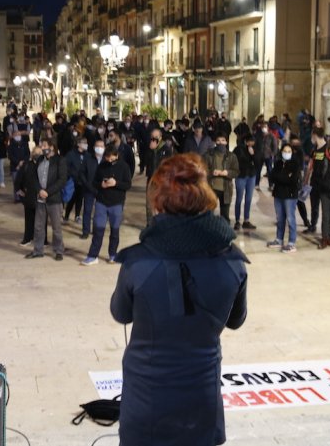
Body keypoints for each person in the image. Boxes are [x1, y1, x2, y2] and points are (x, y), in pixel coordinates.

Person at [110, 153, 248, 446]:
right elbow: (236, 320)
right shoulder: (233, 262)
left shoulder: (138, 262)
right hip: (201, 391)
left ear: (158, 202)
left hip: (148, 395)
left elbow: (121, 313)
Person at [81, 145, 132, 265]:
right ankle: (93, 256)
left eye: (111, 158)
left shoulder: (124, 167)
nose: (109, 160)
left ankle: (113, 255)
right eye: (107, 157)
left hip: (116, 203)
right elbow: (94, 182)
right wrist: (101, 185)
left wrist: (116, 183)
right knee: (98, 230)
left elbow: (128, 185)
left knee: (115, 231)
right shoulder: (102, 165)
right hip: (101, 202)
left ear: (116, 155)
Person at [24, 138, 67, 261]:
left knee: (56, 227)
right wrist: (39, 190)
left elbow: (62, 180)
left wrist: (48, 192)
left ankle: (58, 250)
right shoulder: (39, 160)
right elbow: (33, 178)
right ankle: (38, 250)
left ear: (52, 147)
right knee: (38, 226)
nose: (42, 148)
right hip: (40, 198)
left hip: (54, 199)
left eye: (44, 146)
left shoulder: (60, 160)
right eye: (41, 146)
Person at [267, 144, 301, 253]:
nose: (286, 153)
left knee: (290, 219)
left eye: (289, 151)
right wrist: (284, 177)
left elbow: (293, 180)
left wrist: (280, 177)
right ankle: (279, 239)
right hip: (278, 194)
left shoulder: (295, 164)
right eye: (285, 151)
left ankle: (291, 242)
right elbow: (272, 176)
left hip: (290, 196)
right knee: (280, 218)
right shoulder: (277, 163)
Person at [203, 133, 239, 223]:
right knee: (208, 214)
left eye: (223, 140)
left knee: (225, 216)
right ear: (215, 142)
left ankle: (225, 235)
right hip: (211, 188)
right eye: (218, 140)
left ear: (226, 142)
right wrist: (211, 172)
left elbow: (236, 171)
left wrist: (227, 173)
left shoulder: (231, 156)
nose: (220, 142)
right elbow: (202, 170)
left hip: (226, 189)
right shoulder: (208, 155)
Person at [144, 128, 174, 225]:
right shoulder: (149, 148)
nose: (154, 139)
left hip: (162, 181)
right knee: (149, 204)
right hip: (151, 180)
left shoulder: (167, 149)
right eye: (152, 137)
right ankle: (150, 225)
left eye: (156, 137)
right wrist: (151, 151)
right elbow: (145, 162)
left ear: (160, 137)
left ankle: (163, 224)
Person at [232, 134, 258, 231]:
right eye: (250, 141)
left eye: (253, 142)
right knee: (239, 198)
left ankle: (246, 220)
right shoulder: (238, 149)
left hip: (251, 176)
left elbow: (258, 163)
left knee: (248, 199)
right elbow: (236, 161)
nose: (252, 143)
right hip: (241, 176)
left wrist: (253, 155)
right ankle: (237, 221)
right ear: (246, 141)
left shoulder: (255, 149)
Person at [64, 138, 88, 223]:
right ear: (78, 144)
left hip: (82, 182)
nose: (86, 144)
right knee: (71, 199)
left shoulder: (87, 155)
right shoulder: (71, 154)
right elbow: (66, 166)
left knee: (80, 199)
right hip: (73, 181)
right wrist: (70, 175)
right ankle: (66, 215)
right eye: (83, 142)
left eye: (86, 143)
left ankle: (77, 215)